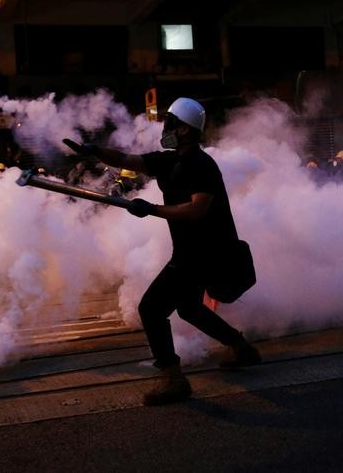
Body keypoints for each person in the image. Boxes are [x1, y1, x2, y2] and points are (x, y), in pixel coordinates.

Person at [63, 97, 261, 406]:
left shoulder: (200, 165)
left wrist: (152, 209)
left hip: (204, 252)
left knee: (151, 309)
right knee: (189, 308)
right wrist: (95, 152)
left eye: (170, 123)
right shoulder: (169, 161)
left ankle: (173, 378)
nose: (164, 128)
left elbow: (198, 210)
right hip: (191, 251)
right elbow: (128, 160)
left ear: (184, 130)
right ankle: (240, 347)